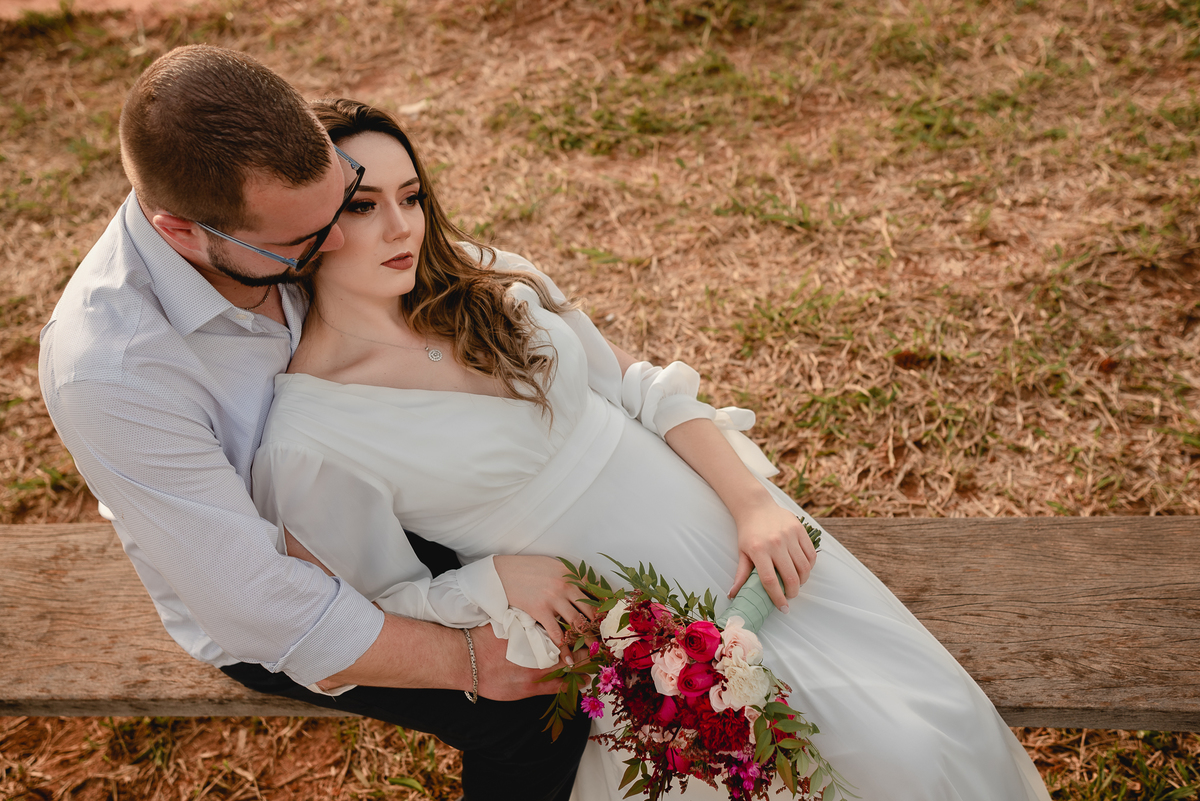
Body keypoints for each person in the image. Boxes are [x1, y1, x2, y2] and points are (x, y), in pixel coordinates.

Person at [249, 97, 1054, 801]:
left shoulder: (489, 281)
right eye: (362, 207)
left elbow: (637, 389)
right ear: (310, 222)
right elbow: (370, 604)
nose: (401, 227)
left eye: (412, 196)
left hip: (729, 531)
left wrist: (752, 502)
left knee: (930, 728)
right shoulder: (314, 428)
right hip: (638, 619)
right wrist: (487, 577)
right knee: (854, 763)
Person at [38, 45, 591, 801]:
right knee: (533, 708)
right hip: (284, 579)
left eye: (344, 200)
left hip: (384, 488)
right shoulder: (112, 368)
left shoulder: (285, 211)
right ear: (182, 233)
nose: (336, 242)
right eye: (302, 241)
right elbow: (256, 601)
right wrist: (468, 660)